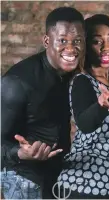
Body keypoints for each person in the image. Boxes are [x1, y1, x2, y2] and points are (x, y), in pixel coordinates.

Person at [1, 7, 85, 199]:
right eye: (62, 40)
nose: (71, 48)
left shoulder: (69, 74)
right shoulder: (17, 83)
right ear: (47, 41)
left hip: (55, 176)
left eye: (77, 41)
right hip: (22, 177)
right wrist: (20, 153)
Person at [57, 14, 109, 199]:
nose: (105, 48)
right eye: (97, 41)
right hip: (84, 185)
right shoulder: (82, 82)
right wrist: (101, 105)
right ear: (86, 47)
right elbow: (84, 122)